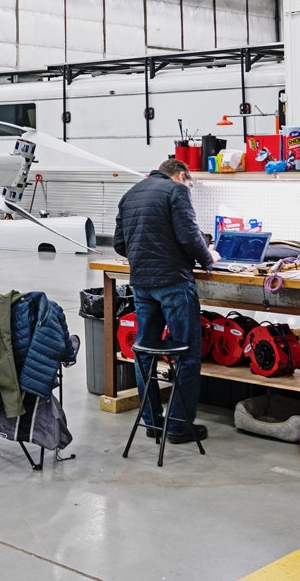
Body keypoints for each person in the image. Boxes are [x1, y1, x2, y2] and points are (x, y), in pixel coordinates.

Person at [112, 158, 215, 444]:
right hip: (173, 282)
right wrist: (209, 258)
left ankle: (153, 423)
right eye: (190, 183)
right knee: (187, 354)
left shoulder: (130, 193)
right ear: (181, 176)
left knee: (144, 351)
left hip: (142, 284)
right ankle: (180, 427)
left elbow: (120, 244)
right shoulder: (176, 191)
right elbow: (188, 236)